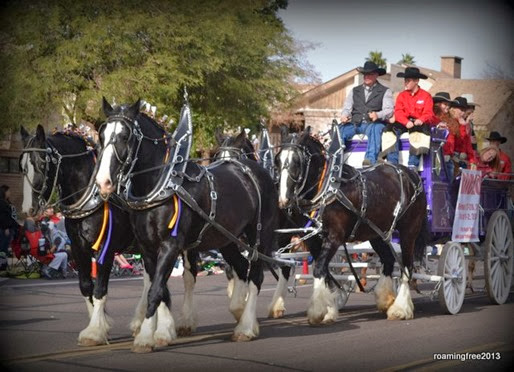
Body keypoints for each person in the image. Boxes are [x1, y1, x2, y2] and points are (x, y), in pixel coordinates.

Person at [340, 61, 394, 166]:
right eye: (365, 74)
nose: (367, 76)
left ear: (376, 75)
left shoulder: (385, 91)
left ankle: (369, 160)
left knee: (375, 128)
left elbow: (389, 111)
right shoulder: (355, 90)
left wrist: (378, 115)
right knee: (339, 131)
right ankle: (336, 159)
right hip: (355, 124)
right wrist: (344, 115)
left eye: (370, 74)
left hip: (373, 124)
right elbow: (347, 107)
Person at [382, 67, 433, 168]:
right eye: (405, 80)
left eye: (408, 80)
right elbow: (398, 112)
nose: (406, 83)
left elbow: (428, 113)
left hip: (419, 123)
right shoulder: (402, 95)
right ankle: (392, 163)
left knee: (419, 131)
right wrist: (405, 122)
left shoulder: (426, 96)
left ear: (416, 81)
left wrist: (421, 120)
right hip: (404, 122)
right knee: (389, 129)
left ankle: (413, 164)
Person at [428, 92, 460, 180]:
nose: (447, 107)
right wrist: (437, 126)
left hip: (448, 159)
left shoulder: (452, 122)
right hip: (437, 158)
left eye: (449, 105)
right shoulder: (432, 118)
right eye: (445, 104)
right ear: (438, 104)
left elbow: (455, 141)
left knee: (448, 187)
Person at [450, 97, 477, 173]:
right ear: (453, 109)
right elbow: (452, 140)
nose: (463, 113)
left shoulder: (463, 123)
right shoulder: (450, 121)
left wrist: (472, 161)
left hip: (460, 159)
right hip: (451, 158)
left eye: (464, 111)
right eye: (461, 110)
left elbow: (467, 142)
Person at [0, 185, 20, 261]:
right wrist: (6, 228)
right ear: (4, 192)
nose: (10, 193)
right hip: (5, 228)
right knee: (3, 247)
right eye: (8, 191)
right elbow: (3, 217)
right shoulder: (1, 203)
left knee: (5, 246)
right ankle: (2, 264)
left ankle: (3, 263)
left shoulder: (6, 202)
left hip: (10, 227)